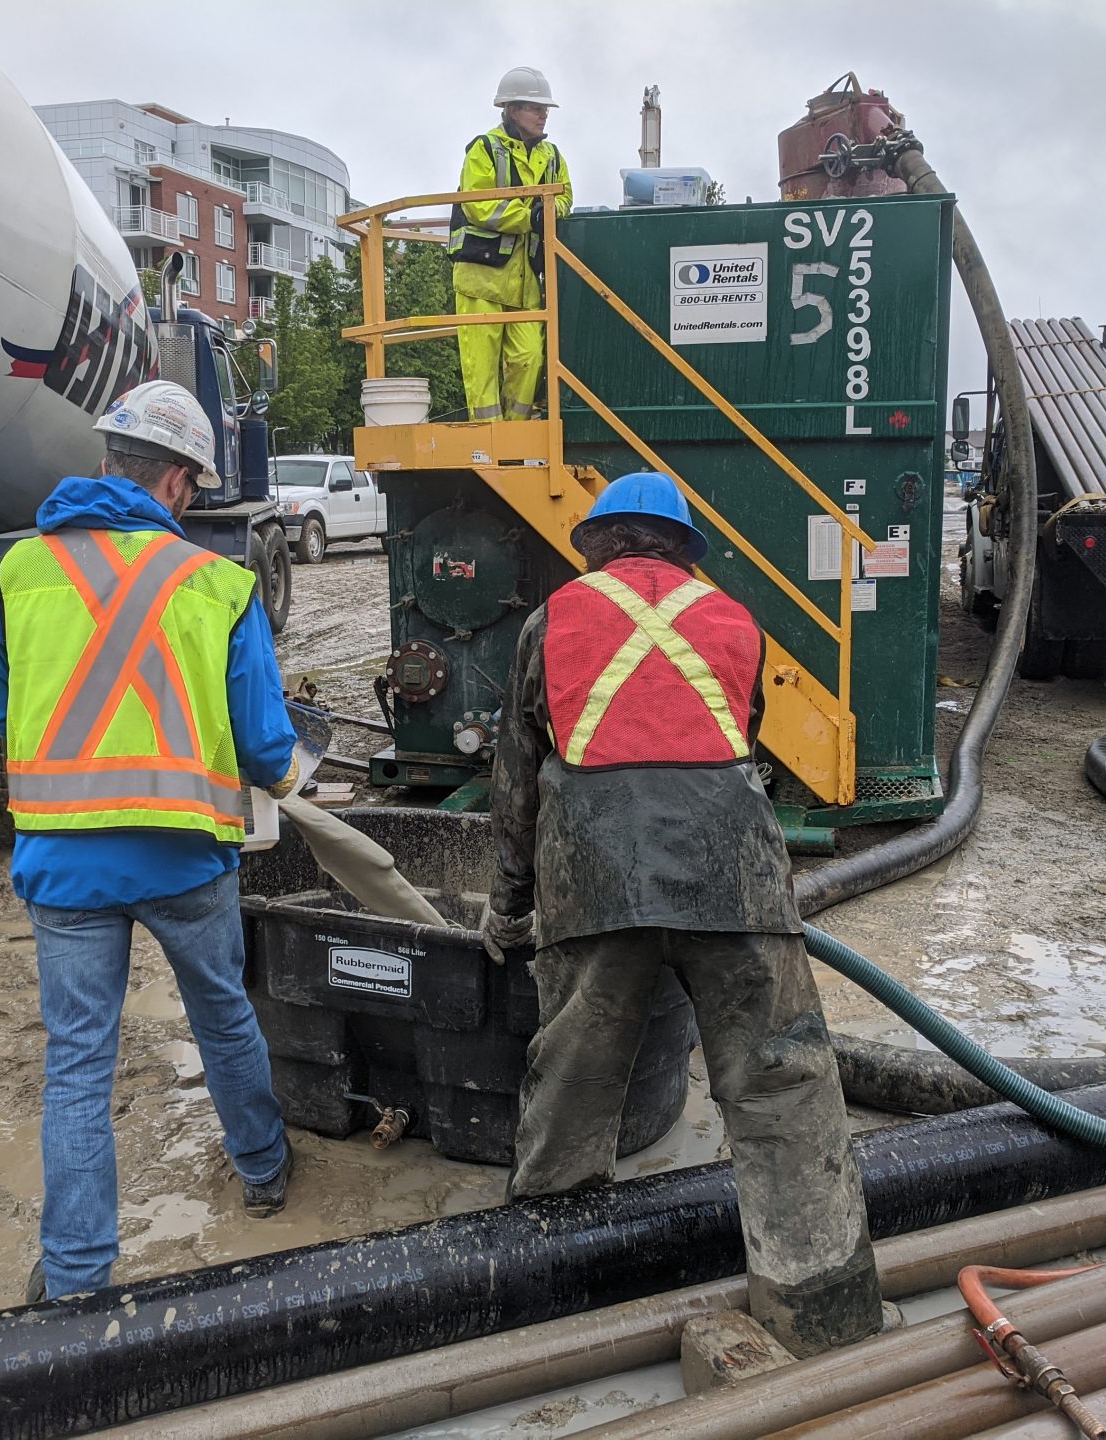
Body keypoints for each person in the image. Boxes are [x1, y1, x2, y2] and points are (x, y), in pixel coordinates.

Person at [483, 472, 885, 1357]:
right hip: (736, 884)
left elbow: (517, 782)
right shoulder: (736, 620)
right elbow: (736, 743)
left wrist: (508, 907)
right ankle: (822, 1310)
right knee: (784, 1088)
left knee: (573, 1090)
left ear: (597, 542)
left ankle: (556, 1312)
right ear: (680, 549)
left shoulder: (552, 621)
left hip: (595, 883)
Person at [0, 380, 302, 1304]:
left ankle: (77, 1275)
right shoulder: (219, 584)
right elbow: (269, 750)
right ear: (176, 483)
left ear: (106, 463)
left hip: (62, 862)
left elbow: (12, 711)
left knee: (79, 1063)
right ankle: (266, 1173)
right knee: (223, 1017)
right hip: (183, 857)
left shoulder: (16, 573)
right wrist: (283, 778)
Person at [449, 65, 573, 421]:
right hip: (481, 281)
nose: (543, 114)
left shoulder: (552, 157)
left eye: (544, 109)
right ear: (512, 109)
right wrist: (530, 216)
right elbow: (479, 205)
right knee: (481, 369)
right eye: (536, 108)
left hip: (524, 284)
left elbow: (564, 199)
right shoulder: (484, 149)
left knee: (529, 357)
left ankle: (514, 439)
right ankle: (490, 443)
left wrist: (546, 213)